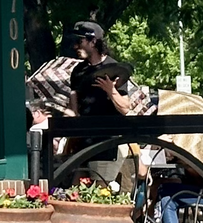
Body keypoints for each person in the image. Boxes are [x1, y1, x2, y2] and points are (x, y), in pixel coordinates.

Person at [64, 21, 149, 184]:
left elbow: (125, 108)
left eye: (80, 41)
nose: (75, 46)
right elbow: (74, 106)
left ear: (93, 42)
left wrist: (111, 90)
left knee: (101, 188)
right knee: (75, 189)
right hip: (83, 141)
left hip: (106, 141)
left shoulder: (114, 68)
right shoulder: (78, 71)